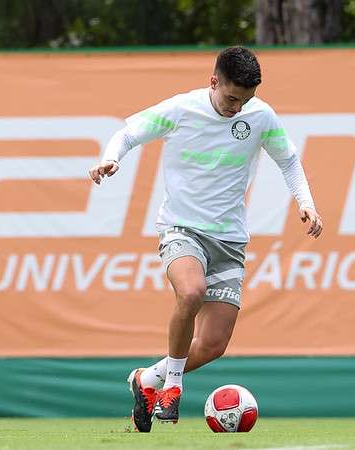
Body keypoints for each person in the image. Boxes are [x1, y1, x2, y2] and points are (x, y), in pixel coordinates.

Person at [88, 46, 323, 432]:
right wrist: (112, 158)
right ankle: (173, 388)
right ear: (213, 81)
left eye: (246, 100)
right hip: (182, 229)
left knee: (213, 345)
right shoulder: (182, 109)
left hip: (229, 242)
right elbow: (129, 133)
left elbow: (288, 160)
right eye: (232, 98)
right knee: (191, 292)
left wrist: (306, 203)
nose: (238, 107)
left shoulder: (259, 115)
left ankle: (147, 380)